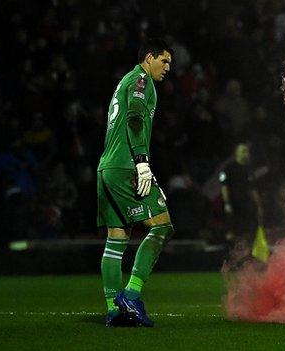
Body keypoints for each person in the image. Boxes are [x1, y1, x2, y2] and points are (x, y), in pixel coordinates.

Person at [96, 38, 173, 327]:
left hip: (107, 168)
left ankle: (114, 311)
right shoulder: (142, 80)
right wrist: (142, 164)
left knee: (116, 239)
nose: (167, 68)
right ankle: (131, 294)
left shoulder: (125, 80)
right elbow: (134, 120)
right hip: (126, 167)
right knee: (162, 226)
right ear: (149, 57)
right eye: (164, 61)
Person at [219, 143, 263, 248]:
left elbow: (253, 188)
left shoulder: (248, 169)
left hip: (246, 204)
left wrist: (259, 205)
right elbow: (224, 186)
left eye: (246, 151)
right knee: (231, 231)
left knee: (247, 229)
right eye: (243, 151)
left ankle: (245, 250)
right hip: (233, 203)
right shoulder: (228, 168)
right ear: (237, 153)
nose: (246, 154)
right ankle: (229, 250)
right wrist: (227, 203)